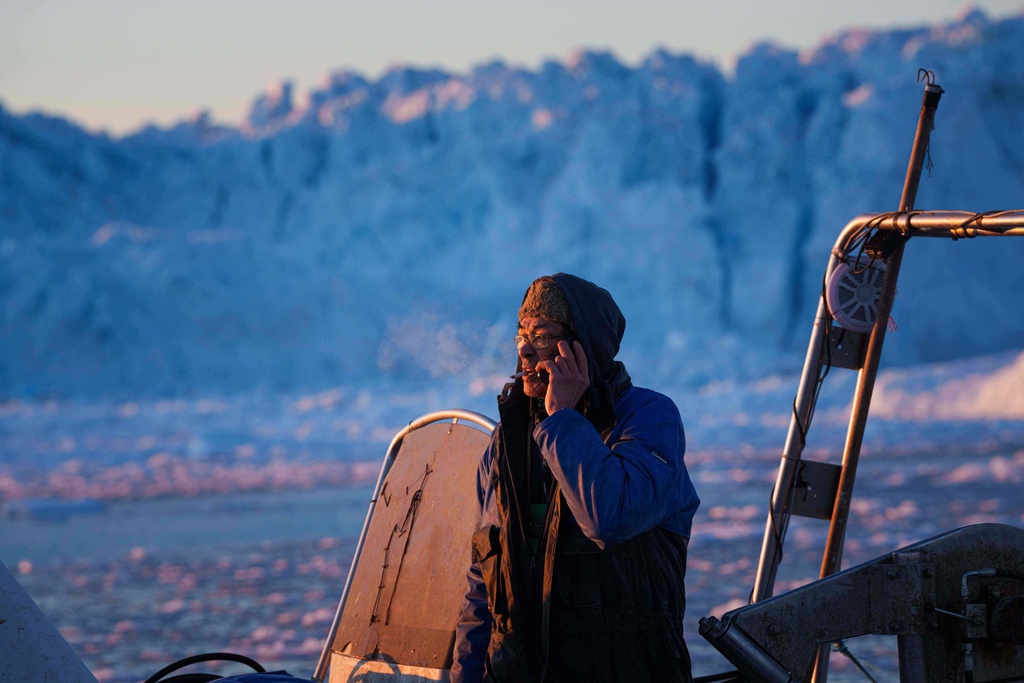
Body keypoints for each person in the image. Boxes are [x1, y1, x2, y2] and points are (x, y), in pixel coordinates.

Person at [451, 273, 700, 683]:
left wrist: (564, 418)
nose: (526, 351)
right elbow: (483, 583)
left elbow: (609, 517)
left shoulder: (648, 420)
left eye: (543, 336)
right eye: (521, 337)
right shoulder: (507, 443)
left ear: (581, 346)